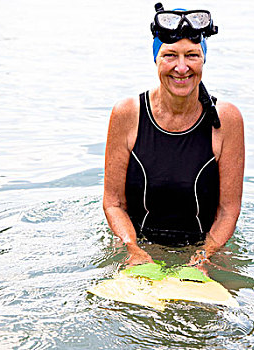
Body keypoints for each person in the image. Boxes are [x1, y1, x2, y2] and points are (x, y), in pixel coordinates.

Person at [103, 3, 244, 269]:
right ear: (156, 58)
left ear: (203, 58)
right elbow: (113, 203)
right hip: (138, 245)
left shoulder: (227, 120)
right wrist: (133, 250)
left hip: (205, 248)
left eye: (191, 55)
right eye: (170, 55)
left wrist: (205, 255)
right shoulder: (127, 114)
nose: (181, 68)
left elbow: (228, 211)